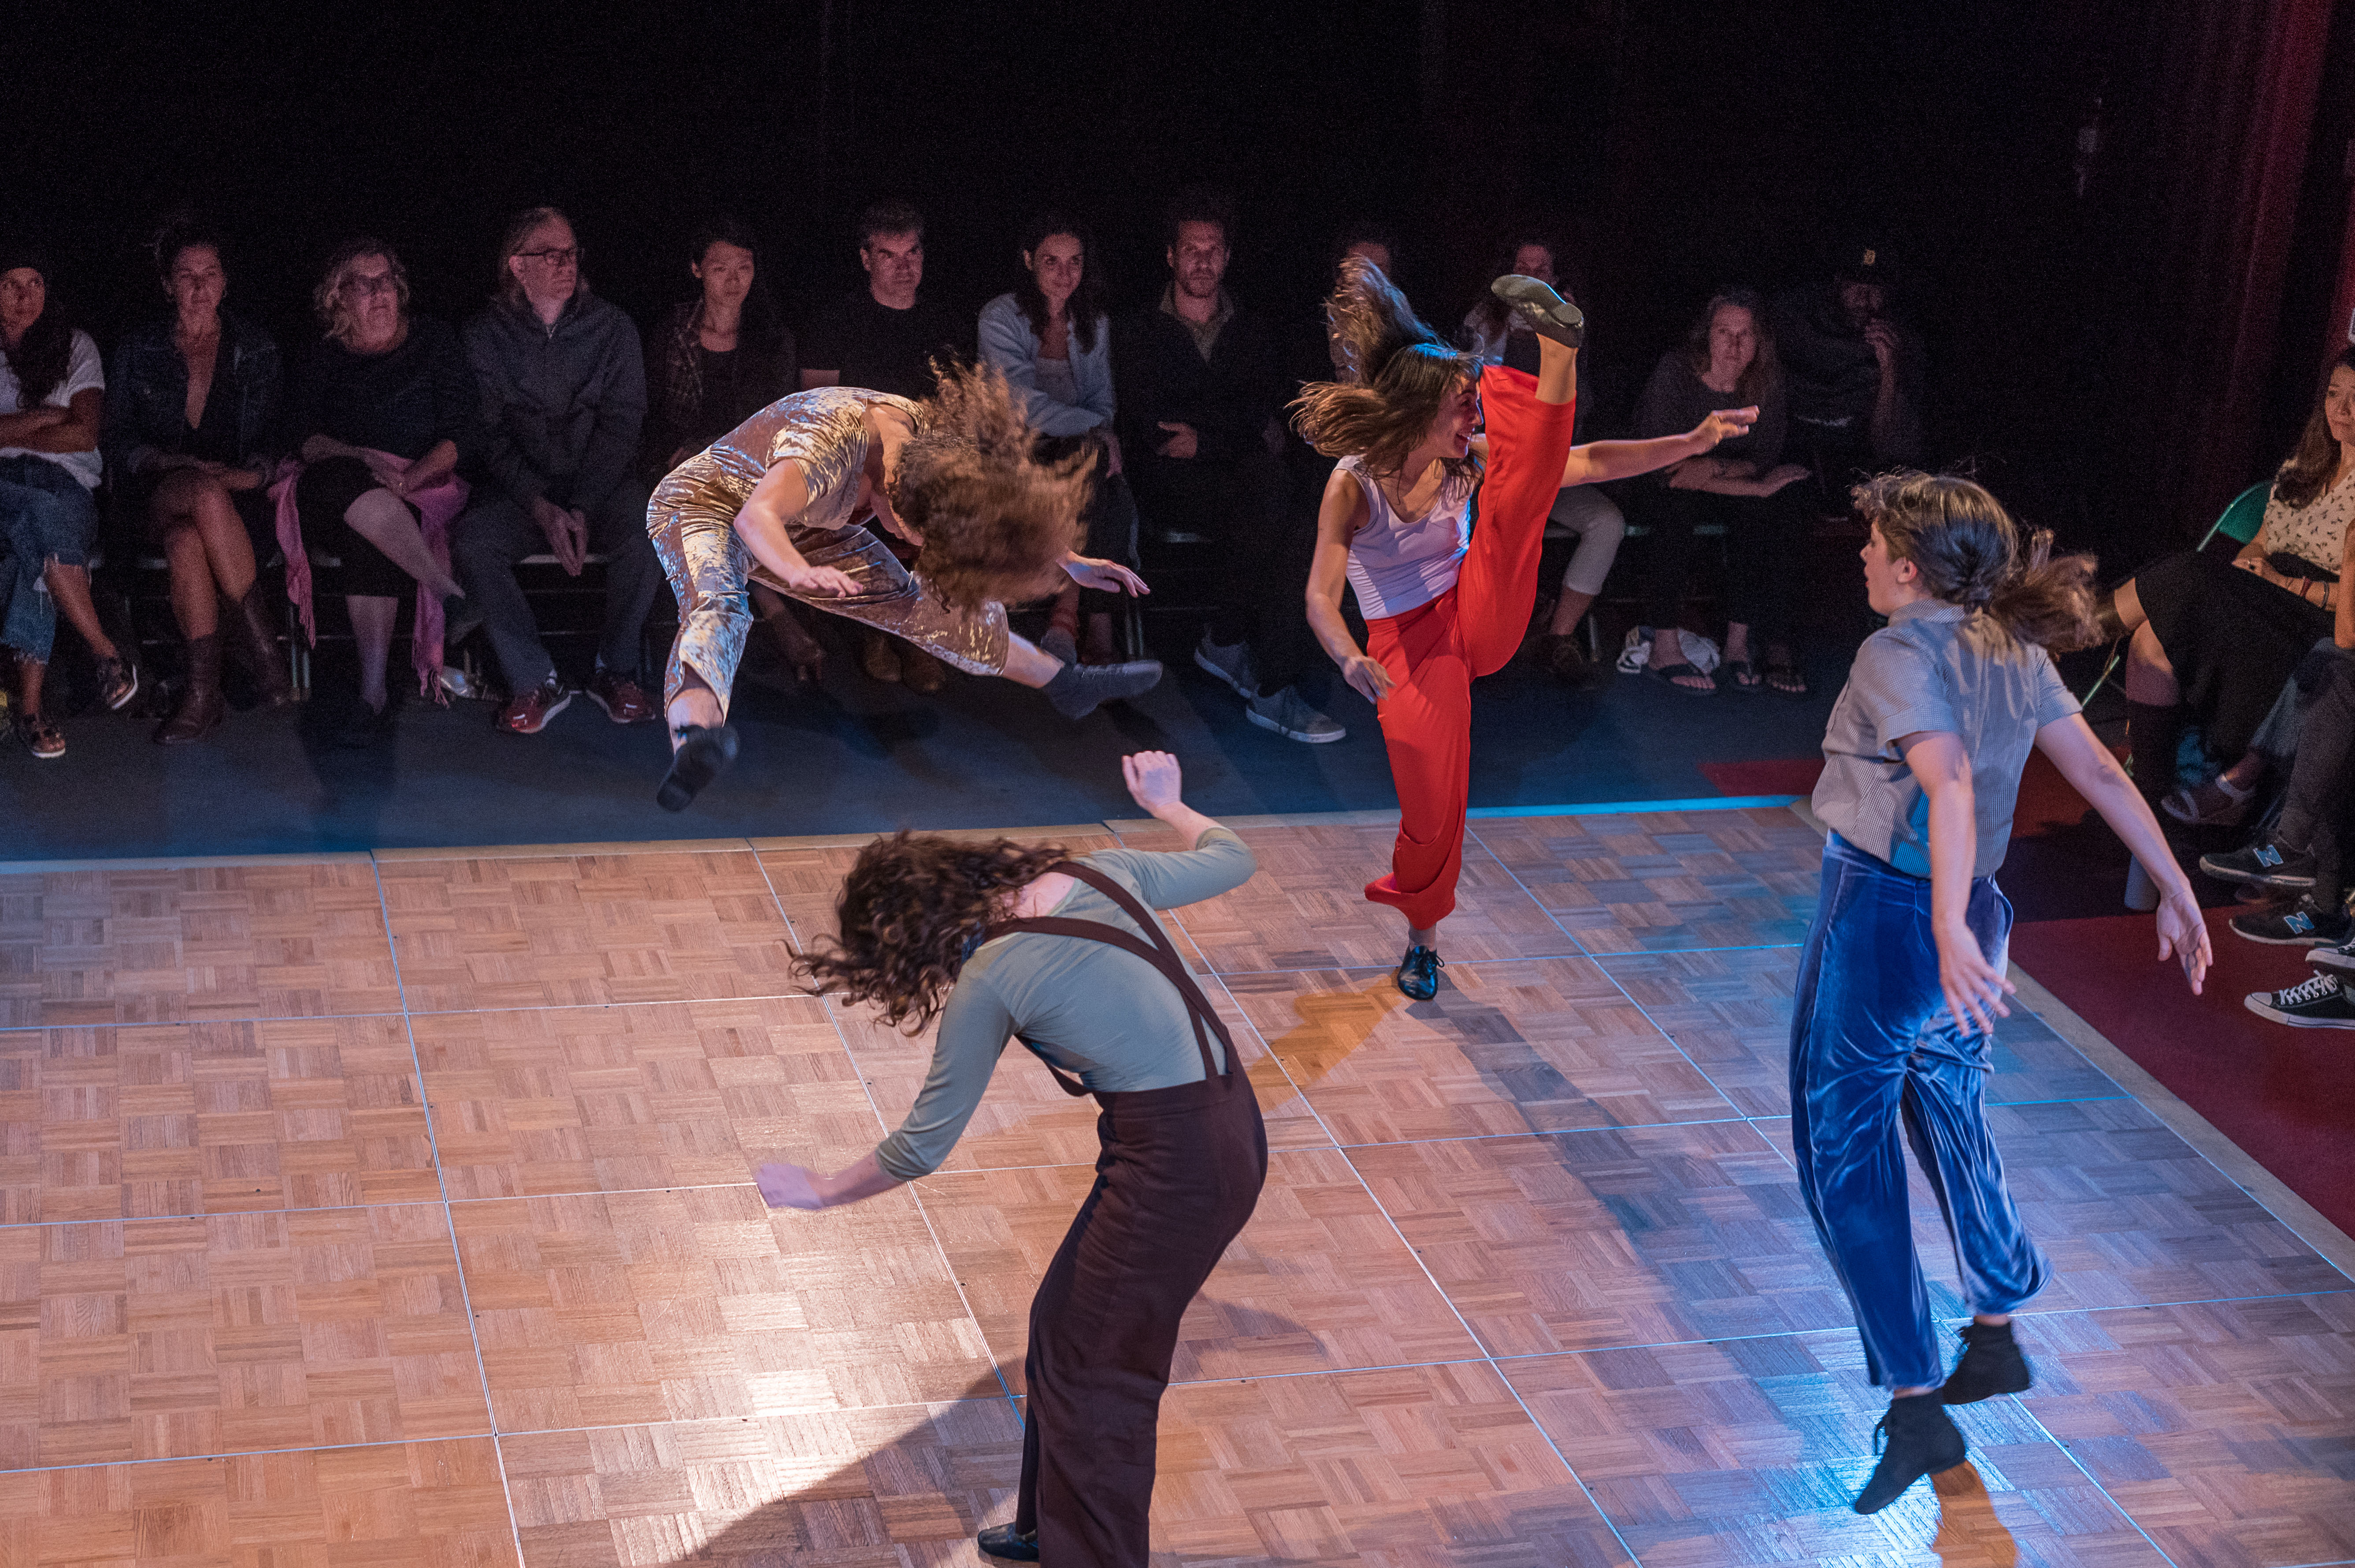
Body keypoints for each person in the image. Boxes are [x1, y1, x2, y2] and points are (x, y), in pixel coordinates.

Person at [1795, 471, 2209, 1514]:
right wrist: (2174, 885)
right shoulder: (2006, 644)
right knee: (1943, 1105)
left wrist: (1934, 929)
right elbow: (2105, 776)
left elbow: (1944, 787)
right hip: (1974, 911)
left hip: (1894, 917)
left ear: (1906, 567)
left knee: (1841, 1150)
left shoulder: (1894, 650)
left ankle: (1914, 1399)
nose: (1857, 555)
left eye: (1871, 543)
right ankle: (1996, 1316)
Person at [760, 750, 1263, 1568]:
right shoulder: (1096, 871)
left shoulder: (993, 975)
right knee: (1063, 1329)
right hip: (1231, 1124)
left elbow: (920, 1146)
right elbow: (1229, 858)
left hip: (1177, 1163)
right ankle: (1043, 1530)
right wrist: (1170, 804)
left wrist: (819, 1190)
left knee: (1100, 1377)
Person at [1297, 261, 1757, 998]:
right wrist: (1348, 658)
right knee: (1432, 798)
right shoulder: (1355, 481)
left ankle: (1562, 351)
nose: (1472, 417)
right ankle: (1424, 938)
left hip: (1476, 607)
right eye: (1460, 407)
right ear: (1419, 413)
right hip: (1402, 646)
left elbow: (1584, 461)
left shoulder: (1463, 459)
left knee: (1520, 493)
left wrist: (1691, 440)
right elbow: (1321, 595)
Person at [648, 363, 1161, 811]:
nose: (898, 535)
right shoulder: (824, 447)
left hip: (802, 522)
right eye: (901, 526)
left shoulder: (927, 445)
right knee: (719, 602)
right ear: (887, 490)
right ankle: (695, 736)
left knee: (914, 605)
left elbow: (988, 505)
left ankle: (1063, 684)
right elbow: (755, 520)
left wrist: (1068, 560)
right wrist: (795, 572)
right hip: (706, 506)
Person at [2094, 346, 2355, 826]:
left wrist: (2283, 583)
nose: (2340, 410)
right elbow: (2259, 541)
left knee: (2188, 572)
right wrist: (2251, 565)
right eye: (2334, 394)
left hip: (2315, 623)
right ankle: (2150, 802)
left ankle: (2071, 628)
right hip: (2259, 597)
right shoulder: (2305, 468)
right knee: (2151, 636)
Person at [1118, 187, 1341, 743]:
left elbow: (1267, 420)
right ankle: (1256, 669)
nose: (1202, 261)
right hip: (1169, 483)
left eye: (1212, 250)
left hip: (1237, 475)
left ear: (1227, 256)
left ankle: (1248, 659)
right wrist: (1233, 433)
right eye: (1191, 250)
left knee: (1295, 502)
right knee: (1275, 500)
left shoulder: (1251, 329)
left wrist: (1211, 436)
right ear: (1170, 256)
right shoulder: (1140, 329)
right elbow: (1157, 432)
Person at [459, 207, 660, 734]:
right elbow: (490, 434)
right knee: (476, 539)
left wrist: (583, 506)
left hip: (598, 488)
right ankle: (534, 679)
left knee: (649, 524)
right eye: (551, 255)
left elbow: (622, 425)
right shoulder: (485, 336)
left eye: (571, 253)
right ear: (518, 266)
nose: (565, 264)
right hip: (527, 494)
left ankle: (615, 671)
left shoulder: (612, 328)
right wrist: (540, 504)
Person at [279, 237, 475, 748]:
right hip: (340, 482)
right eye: (362, 285)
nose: (377, 293)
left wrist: (408, 480)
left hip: (418, 485)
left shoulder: (433, 341)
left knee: (370, 535)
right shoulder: (323, 355)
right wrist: (364, 459)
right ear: (338, 296)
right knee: (343, 485)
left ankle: (372, 696)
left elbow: (463, 433)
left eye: (384, 280)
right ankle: (446, 591)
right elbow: (302, 435)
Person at [103, 224, 291, 742]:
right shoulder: (140, 348)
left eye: (210, 275)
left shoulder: (254, 348)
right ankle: (265, 650)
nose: (199, 288)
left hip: (234, 506)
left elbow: (278, 438)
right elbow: (115, 437)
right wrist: (166, 461)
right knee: (199, 495)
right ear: (168, 285)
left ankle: (201, 696)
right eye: (187, 276)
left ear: (226, 283)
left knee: (188, 539)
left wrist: (246, 474)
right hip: (153, 493)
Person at [641, 217, 824, 683]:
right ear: (697, 269)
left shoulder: (771, 337)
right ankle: (773, 610)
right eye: (721, 267)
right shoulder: (672, 332)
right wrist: (675, 453)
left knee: (735, 498)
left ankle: (715, 640)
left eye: (744, 267)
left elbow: (775, 421)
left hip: (747, 466)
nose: (734, 279)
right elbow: (651, 411)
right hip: (680, 465)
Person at [801, 200, 973, 693]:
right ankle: (882, 627)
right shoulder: (836, 321)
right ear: (866, 259)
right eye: (890, 255)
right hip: (855, 456)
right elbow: (817, 408)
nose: (904, 267)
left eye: (912, 253)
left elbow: (958, 409)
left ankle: (912, 632)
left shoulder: (945, 325)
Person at [1631, 287, 1813, 696]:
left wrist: (1718, 469)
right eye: (1723, 332)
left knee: (1770, 510)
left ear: (1758, 342)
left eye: (1744, 334)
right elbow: (1668, 469)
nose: (1733, 344)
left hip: (1726, 483)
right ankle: (1664, 645)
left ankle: (1737, 643)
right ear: (1706, 335)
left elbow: (1762, 457)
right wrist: (1752, 487)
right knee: (1675, 508)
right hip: (1660, 483)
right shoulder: (1676, 372)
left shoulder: (1766, 381)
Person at [978, 213, 1137, 668]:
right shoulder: (999, 316)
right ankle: (1091, 625)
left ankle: (1066, 619)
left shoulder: (1094, 321)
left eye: (1074, 262)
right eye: (1051, 261)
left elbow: (1104, 398)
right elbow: (1019, 405)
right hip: (1016, 453)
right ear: (1028, 261)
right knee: (1095, 469)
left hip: (1077, 454)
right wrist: (1094, 429)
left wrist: (1097, 431)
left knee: (1097, 473)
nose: (1064, 273)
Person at [1463, 233, 1622, 688]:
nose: (1531, 279)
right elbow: (1467, 403)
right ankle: (1481, 642)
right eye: (1522, 269)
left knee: (1606, 523)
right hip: (1490, 471)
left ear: (1556, 278)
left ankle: (1557, 639)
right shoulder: (1482, 324)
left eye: (1541, 271)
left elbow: (1577, 409)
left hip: (1546, 475)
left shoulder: (1569, 331)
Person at [0, 244, 137, 759]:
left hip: (68, 487)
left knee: (32, 548)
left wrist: (12, 431)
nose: (23, 296)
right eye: (10, 283)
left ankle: (30, 710)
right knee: (39, 515)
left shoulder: (75, 346)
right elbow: (63, 425)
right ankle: (104, 651)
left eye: (34, 283)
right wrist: (42, 420)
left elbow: (83, 435)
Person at [1772, 240, 1927, 483]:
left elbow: (1889, 444)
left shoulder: (1898, 341)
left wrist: (1889, 368)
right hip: (1786, 449)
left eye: (1875, 289)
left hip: (1857, 461)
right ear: (1838, 284)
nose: (1864, 299)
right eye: (1856, 286)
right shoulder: (1794, 317)